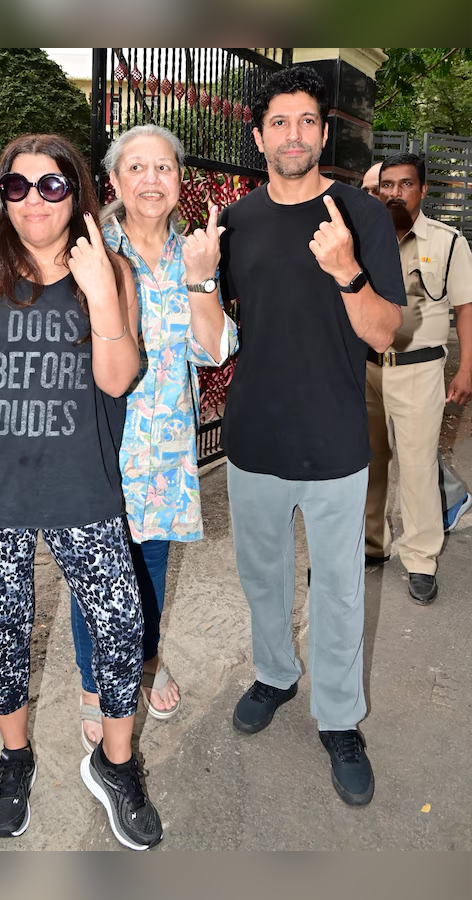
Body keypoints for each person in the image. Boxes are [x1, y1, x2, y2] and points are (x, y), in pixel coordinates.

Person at [0, 133, 164, 851]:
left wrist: (97, 296)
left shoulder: (111, 272)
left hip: (82, 486)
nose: (34, 200)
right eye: (17, 187)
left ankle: (116, 766)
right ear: (2, 199)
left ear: (76, 194)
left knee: (120, 626)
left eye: (51, 186)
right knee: (5, 629)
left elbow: (118, 379)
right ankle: (14, 759)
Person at [219, 66, 406, 807]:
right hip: (254, 437)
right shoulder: (234, 222)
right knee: (261, 580)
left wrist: (348, 274)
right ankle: (274, 674)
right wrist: (202, 283)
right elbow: (219, 332)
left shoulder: (359, 213)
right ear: (259, 135)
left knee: (336, 591)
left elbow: (386, 331)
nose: (293, 135)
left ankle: (338, 720)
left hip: (333, 442)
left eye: (306, 121)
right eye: (279, 122)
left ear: (324, 133)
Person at [72, 124, 238, 752]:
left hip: (166, 450)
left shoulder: (193, 253)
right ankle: (93, 686)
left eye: (163, 167)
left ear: (179, 180)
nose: (149, 179)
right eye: (135, 167)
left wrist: (202, 277)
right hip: (100, 443)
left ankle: (140, 662)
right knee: (98, 576)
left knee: (152, 568)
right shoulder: (90, 251)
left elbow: (215, 348)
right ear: (114, 181)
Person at [365, 153, 472, 604]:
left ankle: (421, 559)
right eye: (387, 185)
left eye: (404, 184)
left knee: (418, 468)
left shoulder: (448, 243)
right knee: (368, 464)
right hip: (367, 369)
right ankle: (372, 546)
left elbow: (466, 307)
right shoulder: (364, 239)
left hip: (419, 370)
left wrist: (467, 367)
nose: (394, 193)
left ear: (422, 190)